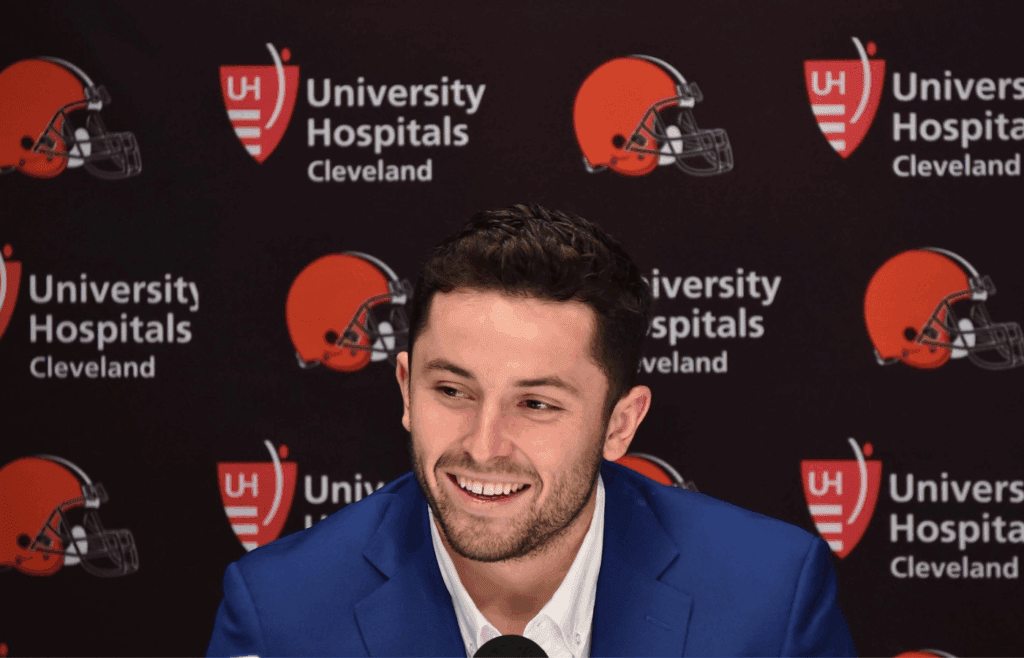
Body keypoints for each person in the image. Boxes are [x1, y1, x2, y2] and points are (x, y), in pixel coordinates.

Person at [207, 204, 856, 657]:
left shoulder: (771, 597)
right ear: (405, 389)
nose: (483, 446)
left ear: (620, 423)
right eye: (453, 391)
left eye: (537, 405)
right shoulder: (279, 611)